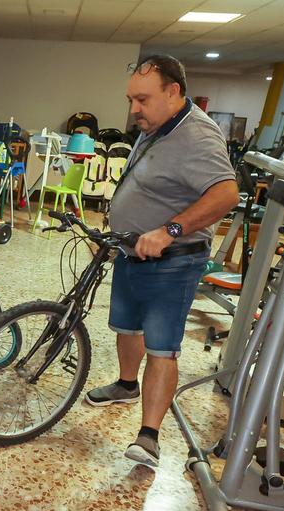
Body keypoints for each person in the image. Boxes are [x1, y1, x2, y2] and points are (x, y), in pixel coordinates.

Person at [84, 54, 240, 468]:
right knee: (126, 326)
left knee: (161, 347)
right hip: (131, 251)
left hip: (172, 261)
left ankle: (148, 436)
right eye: (131, 99)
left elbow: (226, 195)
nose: (134, 109)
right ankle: (125, 384)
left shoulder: (198, 136)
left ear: (173, 92)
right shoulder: (155, 125)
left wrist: (169, 230)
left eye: (143, 99)